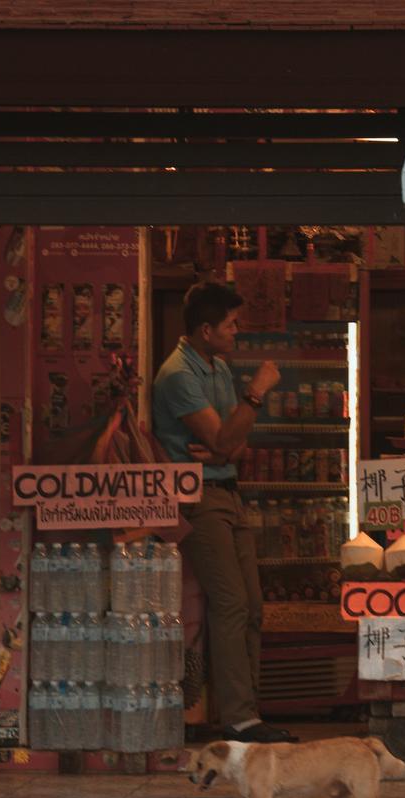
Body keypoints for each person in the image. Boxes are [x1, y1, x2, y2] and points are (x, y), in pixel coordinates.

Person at [152, 282, 296, 743]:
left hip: (227, 491)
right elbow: (224, 439)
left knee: (252, 605)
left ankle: (247, 708)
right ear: (206, 328)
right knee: (231, 601)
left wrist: (226, 445)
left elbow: (234, 441)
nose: (238, 332)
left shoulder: (214, 366)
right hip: (196, 499)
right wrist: (254, 395)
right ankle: (238, 717)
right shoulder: (178, 374)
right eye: (231, 325)